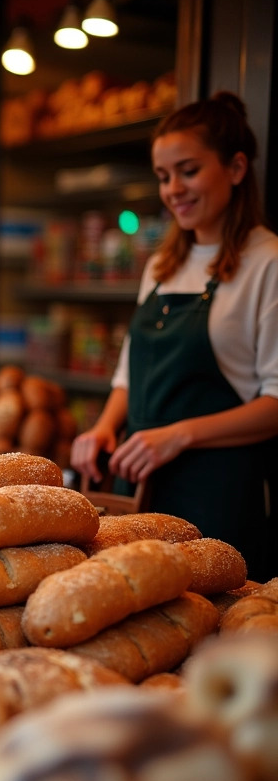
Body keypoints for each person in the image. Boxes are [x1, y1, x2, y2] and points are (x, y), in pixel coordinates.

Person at [71, 92, 278, 581]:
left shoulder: (267, 262)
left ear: (236, 167)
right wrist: (104, 426)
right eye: (163, 177)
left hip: (220, 494)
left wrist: (179, 435)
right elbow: (128, 374)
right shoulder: (163, 265)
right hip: (139, 486)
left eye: (188, 171)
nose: (173, 189)